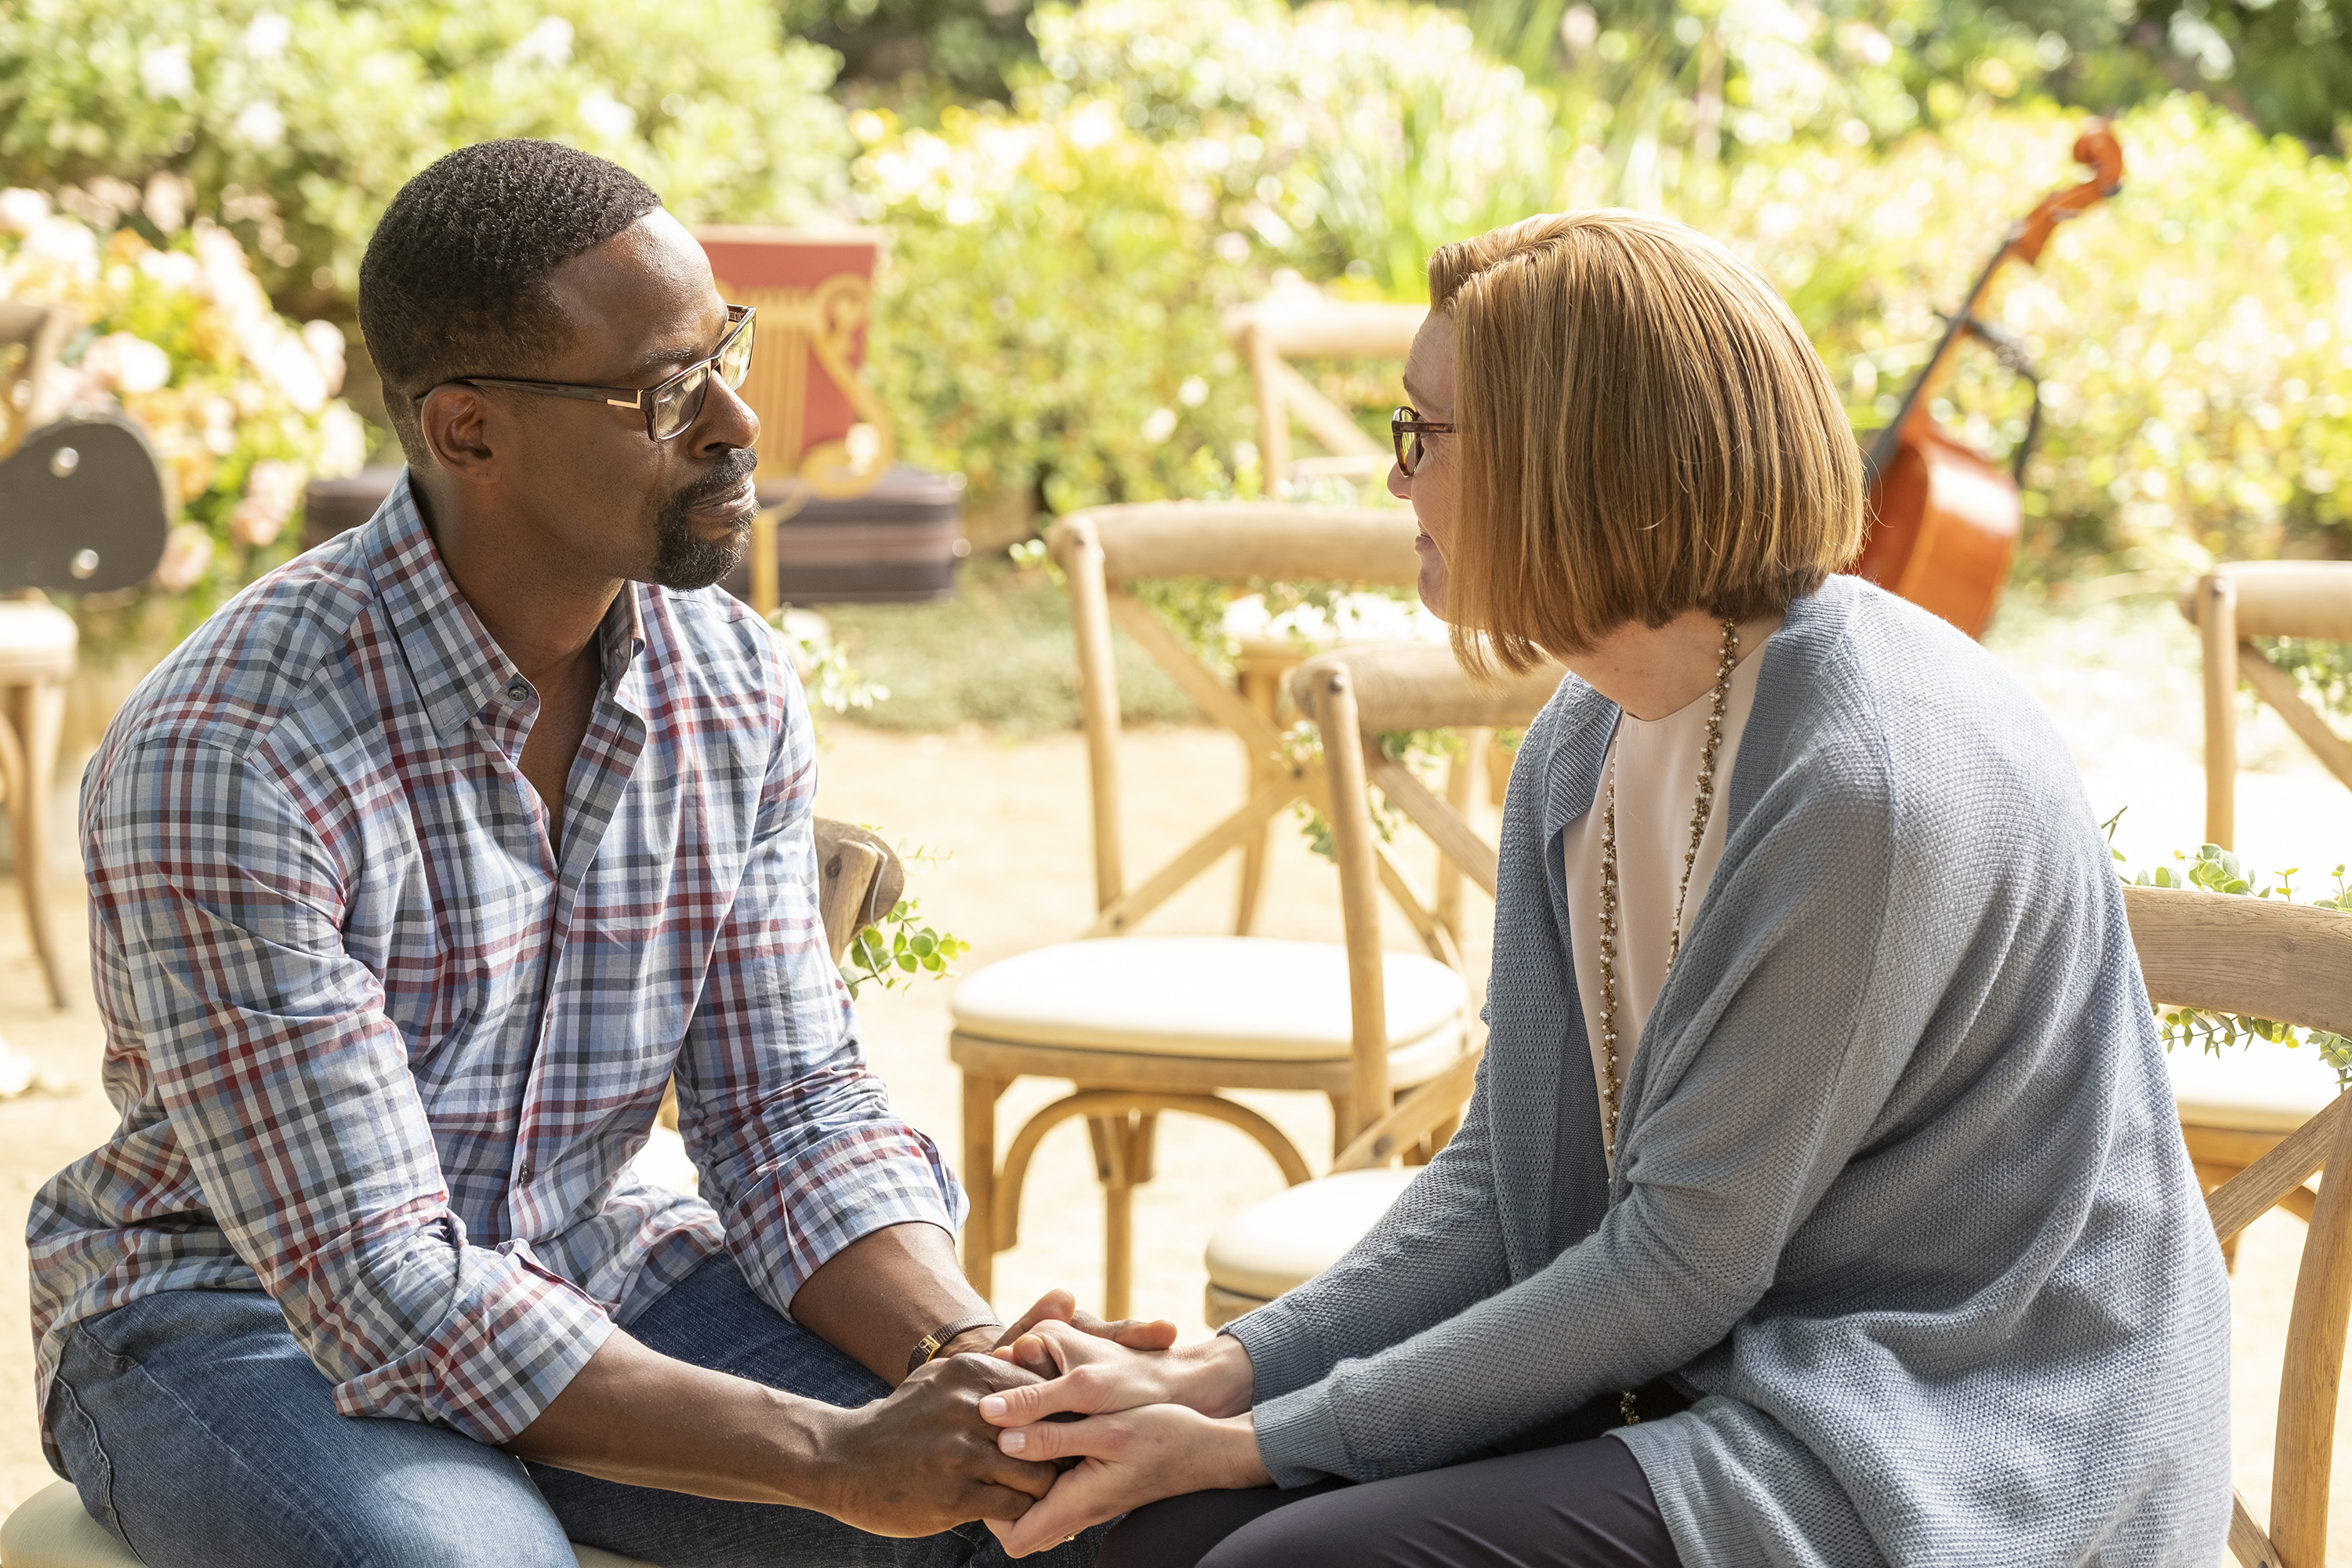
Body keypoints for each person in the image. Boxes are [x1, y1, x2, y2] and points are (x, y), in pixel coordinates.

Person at [963, 209, 2233, 1566]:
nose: (1397, 485)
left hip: (1939, 1429)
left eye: (1420, 436)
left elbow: (1678, 1269)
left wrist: (1266, 1440)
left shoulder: (1864, 781)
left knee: (1288, 1558)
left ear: (1564, 461)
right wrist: (1219, 1377)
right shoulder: (1589, 730)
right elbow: (1512, 1180)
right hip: (1715, 1367)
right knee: (1121, 1532)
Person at [27, 140, 1155, 1568]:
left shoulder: (727, 680)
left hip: (590, 1256)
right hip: (235, 1322)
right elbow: (382, 1289)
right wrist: (838, 1457)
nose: (740, 419)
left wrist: (966, 1355)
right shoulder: (233, 753)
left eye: (724, 353)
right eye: (666, 391)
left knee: (1050, 1498)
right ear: (466, 433)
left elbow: (786, 1114)